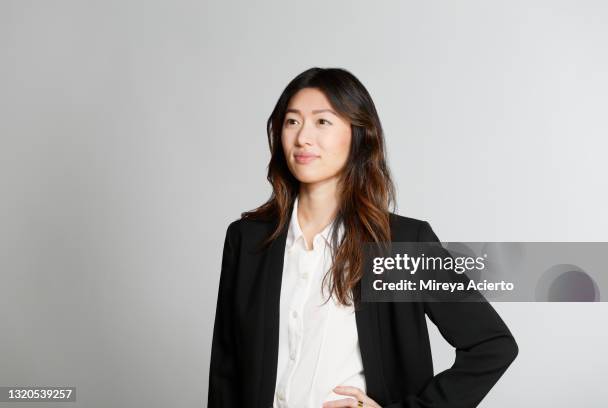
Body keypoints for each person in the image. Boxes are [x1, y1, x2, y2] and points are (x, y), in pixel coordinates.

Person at [207, 67, 518, 408]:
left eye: (322, 122)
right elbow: (226, 371)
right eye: (292, 121)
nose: (302, 138)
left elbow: (492, 344)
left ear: (357, 134)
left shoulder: (402, 243)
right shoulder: (247, 239)